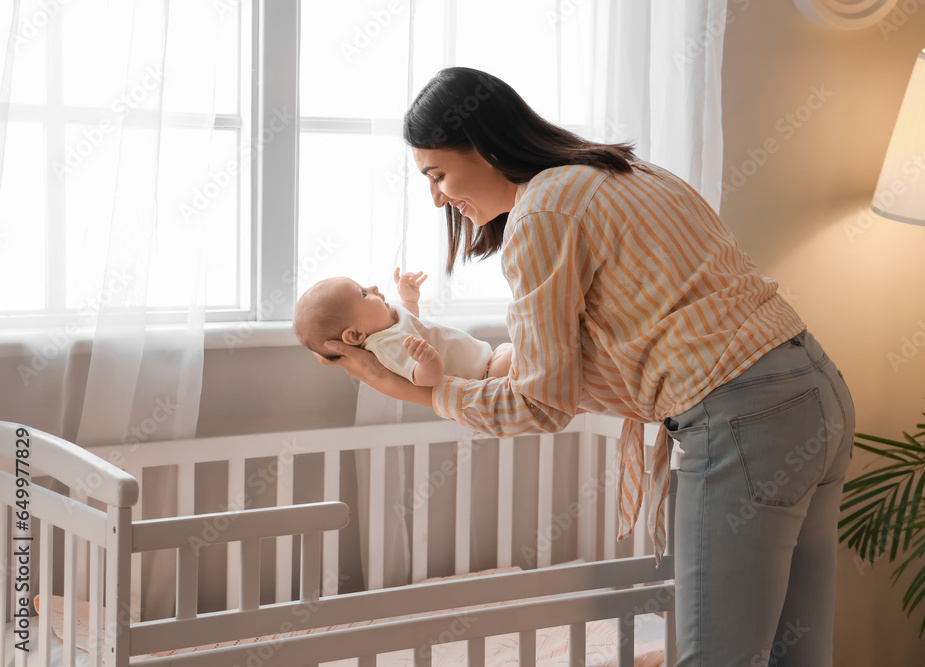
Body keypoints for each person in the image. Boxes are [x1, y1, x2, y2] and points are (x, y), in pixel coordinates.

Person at [316, 67, 855, 666]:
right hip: (813, 394)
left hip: (742, 418)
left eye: (438, 174)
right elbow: (630, 323)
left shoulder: (540, 214)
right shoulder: (623, 170)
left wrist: (410, 390)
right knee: (796, 652)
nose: (437, 196)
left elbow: (541, 405)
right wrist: (492, 364)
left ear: (487, 145)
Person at [294, 268, 512, 387]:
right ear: (356, 334)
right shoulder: (385, 347)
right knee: (533, 345)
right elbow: (426, 379)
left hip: (490, 358)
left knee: (531, 349)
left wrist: (409, 299)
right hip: (484, 377)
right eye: (363, 294)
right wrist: (428, 361)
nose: (374, 288)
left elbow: (411, 325)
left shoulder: (390, 327)